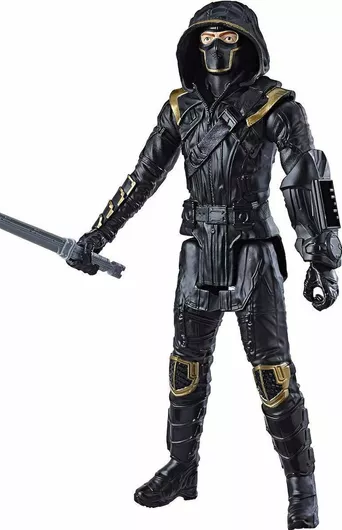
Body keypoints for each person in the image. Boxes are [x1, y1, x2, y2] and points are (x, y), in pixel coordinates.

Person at [67, 3, 341, 528]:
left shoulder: (277, 106)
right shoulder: (180, 109)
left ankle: (303, 491)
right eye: (208, 33)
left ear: (247, 42)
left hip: (253, 252)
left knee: (273, 375)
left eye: (227, 34)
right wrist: (98, 234)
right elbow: (143, 176)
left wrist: (323, 259)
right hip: (198, 251)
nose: (216, 42)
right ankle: (181, 466)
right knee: (184, 368)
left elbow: (309, 180)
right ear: (194, 42)